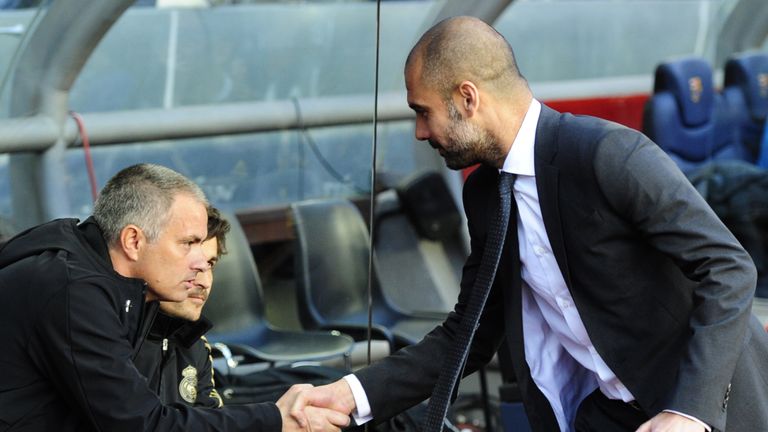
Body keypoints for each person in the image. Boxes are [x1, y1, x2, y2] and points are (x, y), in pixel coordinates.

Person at [286, 16, 768, 432]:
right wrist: (350, 395)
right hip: (609, 414)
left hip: (708, 412)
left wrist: (688, 411)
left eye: (423, 111)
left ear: (467, 97)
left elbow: (727, 267)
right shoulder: (484, 192)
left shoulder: (607, 153)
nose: (420, 131)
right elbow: (469, 331)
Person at [0, 163, 348, 431]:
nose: (201, 265)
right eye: (187, 244)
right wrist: (274, 420)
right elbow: (139, 424)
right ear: (133, 241)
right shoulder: (71, 289)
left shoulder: (125, 293)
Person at [133, 205, 230, 408]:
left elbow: (210, 422)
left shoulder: (195, 344)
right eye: (191, 263)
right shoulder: (110, 338)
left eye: (209, 264)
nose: (204, 282)